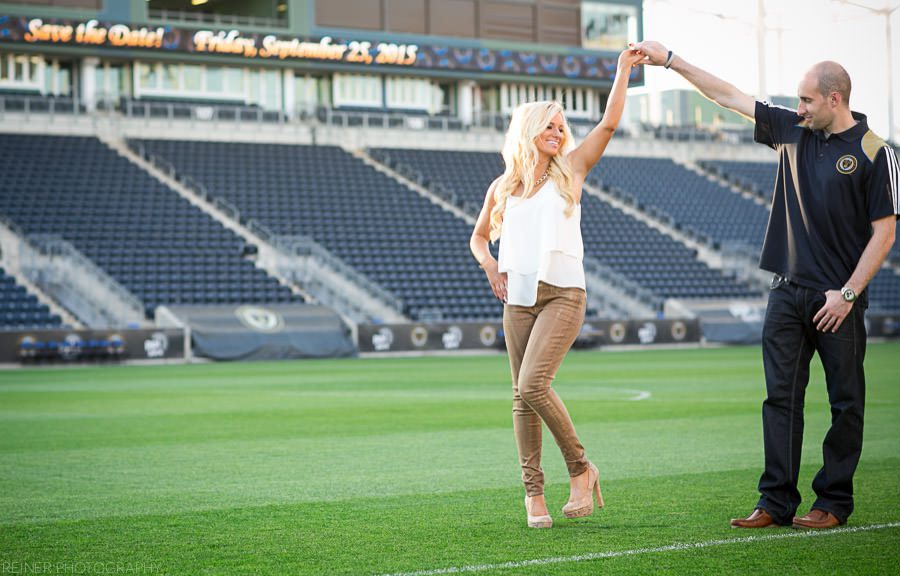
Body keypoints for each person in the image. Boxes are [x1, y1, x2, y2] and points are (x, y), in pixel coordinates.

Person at [633, 40, 899, 529]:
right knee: (780, 399)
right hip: (786, 292)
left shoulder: (875, 153)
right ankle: (776, 502)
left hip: (838, 300)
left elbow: (885, 233)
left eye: (807, 100)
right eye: (797, 100)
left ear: (835, 99)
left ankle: (833, 502)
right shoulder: (790, 130)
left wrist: (847, 295)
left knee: (846, 402)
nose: (798, 108)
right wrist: (672, 60)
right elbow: (729, 96)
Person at [469, 48, 644, 528]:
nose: (558, 132)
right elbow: (479, 238)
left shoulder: (572, 169)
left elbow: (607, 125)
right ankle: (533, 495)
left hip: (564, 293)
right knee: (519, 397)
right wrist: (489, 266)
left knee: (533, 384)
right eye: (549, 125)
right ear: (529, 131)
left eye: (561, 126)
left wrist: (623, 71)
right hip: (518, 299)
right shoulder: (503, 186)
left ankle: (581, 468)